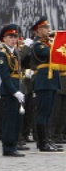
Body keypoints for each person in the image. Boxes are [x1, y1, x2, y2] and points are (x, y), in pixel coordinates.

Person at [29, 17, 62, 152]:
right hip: (44, 81)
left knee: (49, 113)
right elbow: (52, 54)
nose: (49, 30)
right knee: (43, 113)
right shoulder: (38, 45)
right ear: (38, 31)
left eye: (48, 28)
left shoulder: (48, 43)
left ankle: (48, 140)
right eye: (46, 28)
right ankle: (42, 142)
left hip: (52, 81)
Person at [0, 24, 26, 157]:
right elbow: (5, 76)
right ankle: (8, 147)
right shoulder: (2, 54)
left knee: (15, 120)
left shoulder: (14, 53)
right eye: (10, 37)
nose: (13, 39)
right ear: (4, 39)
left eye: (15, 37)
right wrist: (14, 91)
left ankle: (13, 145)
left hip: (16, 89)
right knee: (9, 121)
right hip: (9, 91)